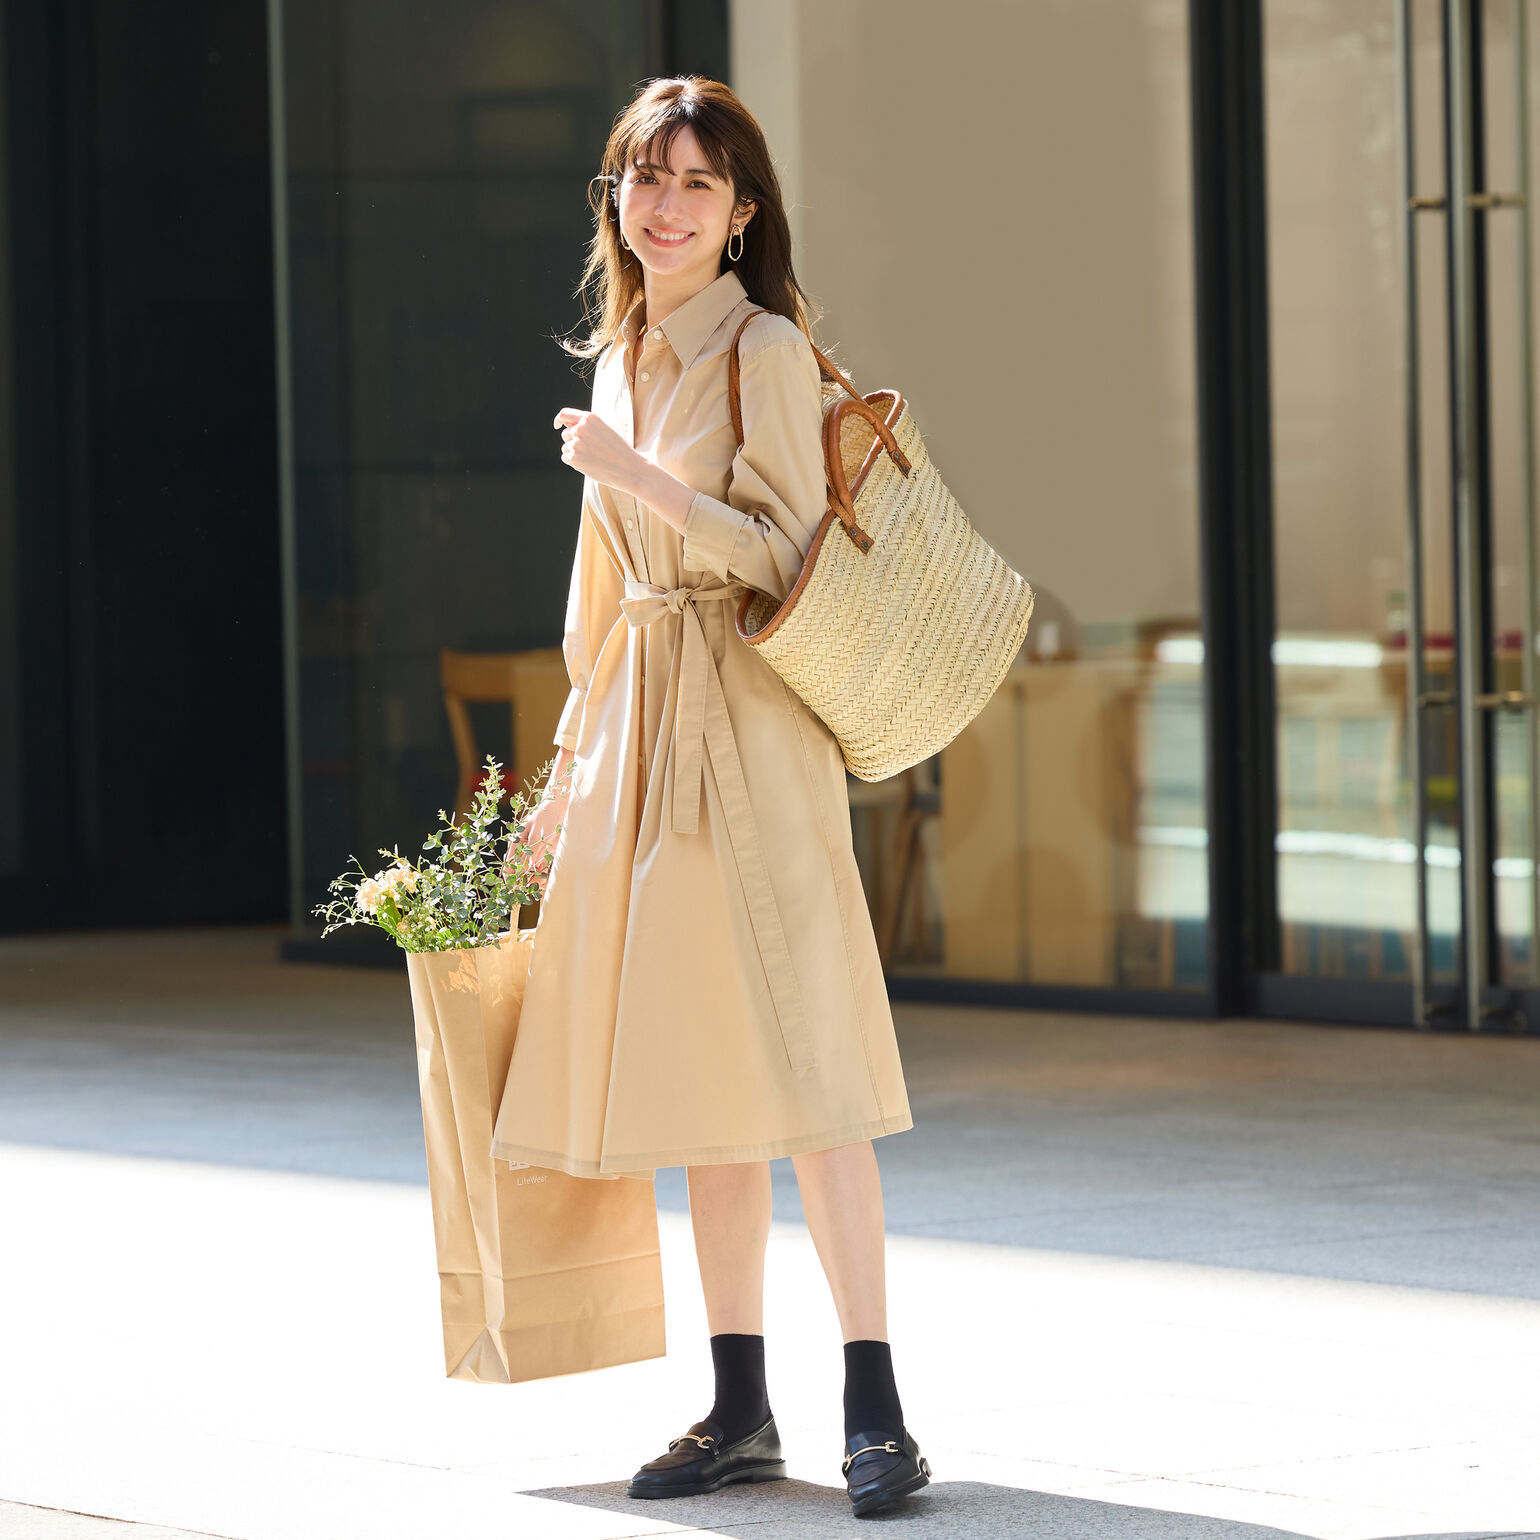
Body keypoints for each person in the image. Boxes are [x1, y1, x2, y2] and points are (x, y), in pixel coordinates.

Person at [499, 75, 930, 1520]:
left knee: (810, 1077)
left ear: (743, 212)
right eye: (643, 178)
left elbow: (783, 548)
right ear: (613, 199)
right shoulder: (620, 353)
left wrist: (639, 479)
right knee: (705, 1085)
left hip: (752, 732)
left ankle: (877, 1403)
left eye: (697, 183)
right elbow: (598, 602)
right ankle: (740, 1402)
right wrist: (562, 782)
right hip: (640, 732)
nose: (666, 206)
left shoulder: (761, 352)